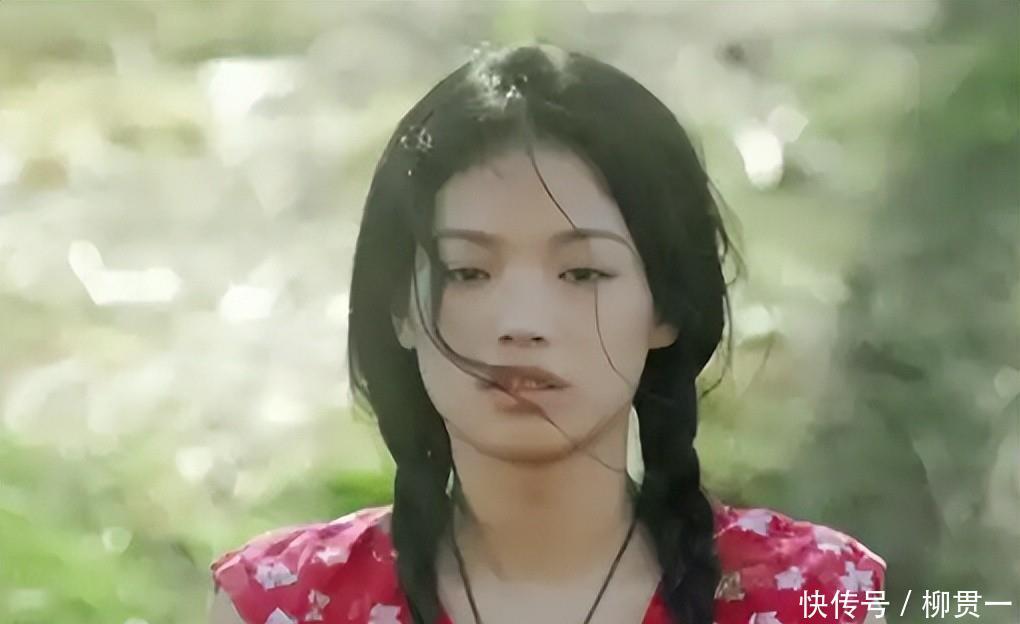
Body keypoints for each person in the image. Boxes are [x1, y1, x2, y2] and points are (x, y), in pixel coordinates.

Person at [207, 42, 887, 624]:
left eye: (582, 273)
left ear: (666, 307)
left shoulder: (813, 598)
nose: (522, 325)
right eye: (468, 272)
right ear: (400, 310)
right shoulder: (287, 606)